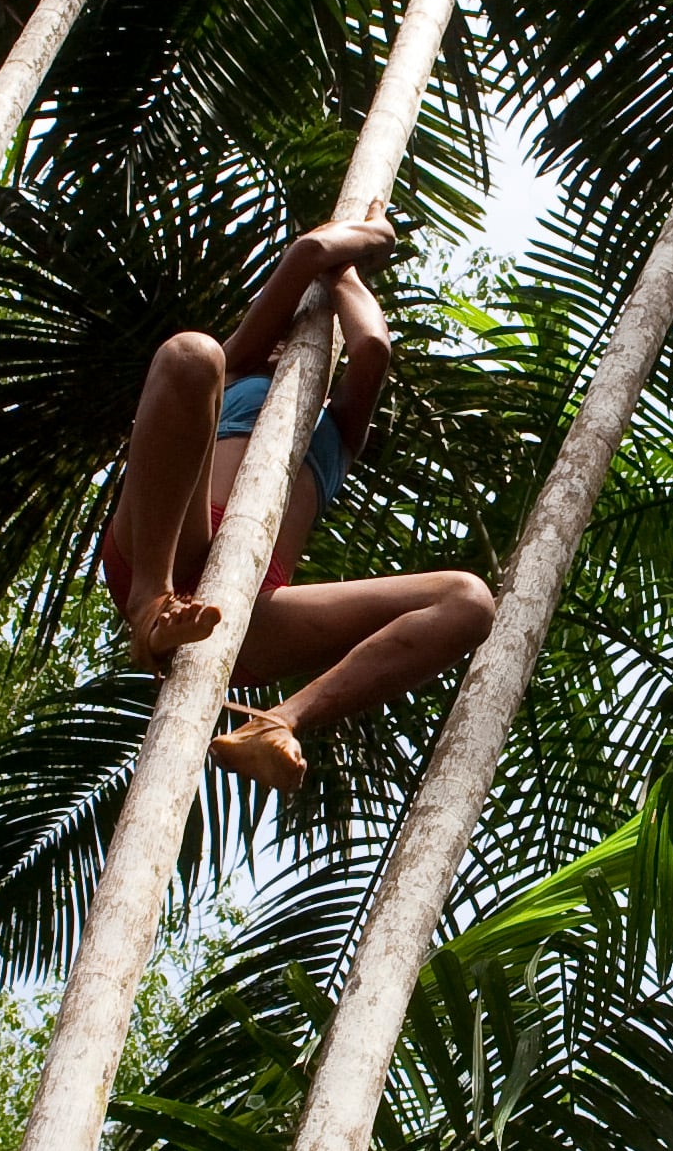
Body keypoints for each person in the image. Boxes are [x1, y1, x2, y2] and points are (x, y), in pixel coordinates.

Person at [95, 215, 494, 790]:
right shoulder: (238, 369)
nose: (287, 351)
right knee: (192, 354)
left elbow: (372, 348)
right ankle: (149, 603)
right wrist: (374, 237)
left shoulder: (342, 433)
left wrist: (345, 275)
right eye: (280, 340)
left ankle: (278, 722)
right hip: (171, 539)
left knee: (469, 602)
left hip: (252, 602)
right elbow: (308, 252)